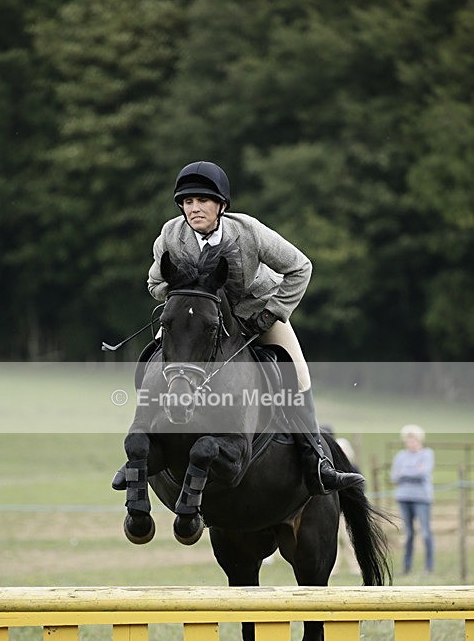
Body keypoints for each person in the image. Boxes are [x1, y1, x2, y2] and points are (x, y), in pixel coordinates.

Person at [115, 161, 363, 495]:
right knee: (158, 359)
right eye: (188, 202)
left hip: (255, 313)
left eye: (203, 201)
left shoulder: (248, 232)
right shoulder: (170, 235)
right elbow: (154, 283)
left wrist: (272, 312)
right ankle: (139, 451)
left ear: (221, 205)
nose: (194, 208)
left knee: (298, 374)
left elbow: (300, 268)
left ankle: (316, 461)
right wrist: (187, 295)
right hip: (200, 319)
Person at [390, 424, 434, 573]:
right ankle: (406, 567)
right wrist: (413, 471)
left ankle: (429, 567)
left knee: (425, 532)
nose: (410, 442)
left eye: (413, 439)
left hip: (422, 498)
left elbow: (423, 473)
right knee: (408, 534)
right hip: (403, 497)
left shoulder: (427, 454)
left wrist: (405, 473)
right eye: (408, 440)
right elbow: (394, 476)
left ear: (419, 440)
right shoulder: (400, 456)